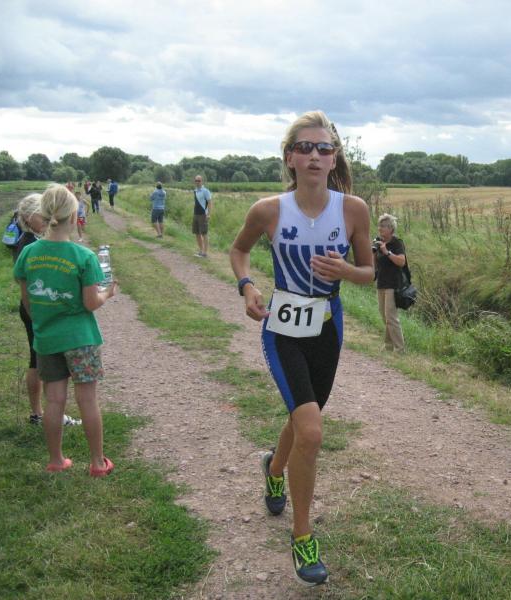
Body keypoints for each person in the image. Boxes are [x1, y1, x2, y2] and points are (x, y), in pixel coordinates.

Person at [230, 110, 373, 586]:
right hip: (283, 328)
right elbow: (238, 250)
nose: (315, 155)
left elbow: (369, 272)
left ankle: (274, 469)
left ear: (334, 158)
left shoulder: (353, 210)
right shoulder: (269, 210)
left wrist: (346, 272)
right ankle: (303, 535)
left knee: (302, 417)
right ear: (289, 157)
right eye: (305, 148)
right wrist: (247, 286)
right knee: (311, 431)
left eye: (324, 148)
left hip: (327, 329)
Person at [13, 184, 117, 476]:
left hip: (47, 338)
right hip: (81, 339)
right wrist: (107, 293)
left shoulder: (28, 253)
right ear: (73, 216)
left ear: (45, 214)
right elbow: (90, 303)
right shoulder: (83, 257)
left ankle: (56, 460)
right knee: (87, 399)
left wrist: (43, 322)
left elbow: (28, 301)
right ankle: (97, 463)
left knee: (54, 400)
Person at [12, 193, 81, 428]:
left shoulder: (30, 240)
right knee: (39, 361)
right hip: (37, 308)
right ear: (29, 217)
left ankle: (40, 413)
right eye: (41, 214)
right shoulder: (30, 244)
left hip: (34, 307)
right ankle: (43, 413)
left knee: (37, 359)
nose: (46, 218)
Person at [373, 213, 406, 352]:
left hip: (393, 285)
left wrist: (386, 252)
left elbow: (401, 262)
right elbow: (375, 263)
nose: (380, 228)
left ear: (391, 228)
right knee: (384, 316)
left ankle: (400, 348)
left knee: (391, 317)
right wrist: (374, 253)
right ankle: (388, 346)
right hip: (381, 282)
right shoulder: (378, 242)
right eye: (379, 225)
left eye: (383, 226)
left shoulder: (397, 243)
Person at [192, 175, 212, 257]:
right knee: (197, 233)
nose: (197, 182)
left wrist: (209, 214)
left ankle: (205, 253)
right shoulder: (195, 191)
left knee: (204, 233)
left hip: (203, 215)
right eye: (196, 180)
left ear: (202, 181)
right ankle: (200, 250)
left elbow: (210, 202)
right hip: (196, 214)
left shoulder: (206, 191)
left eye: (199, 180)